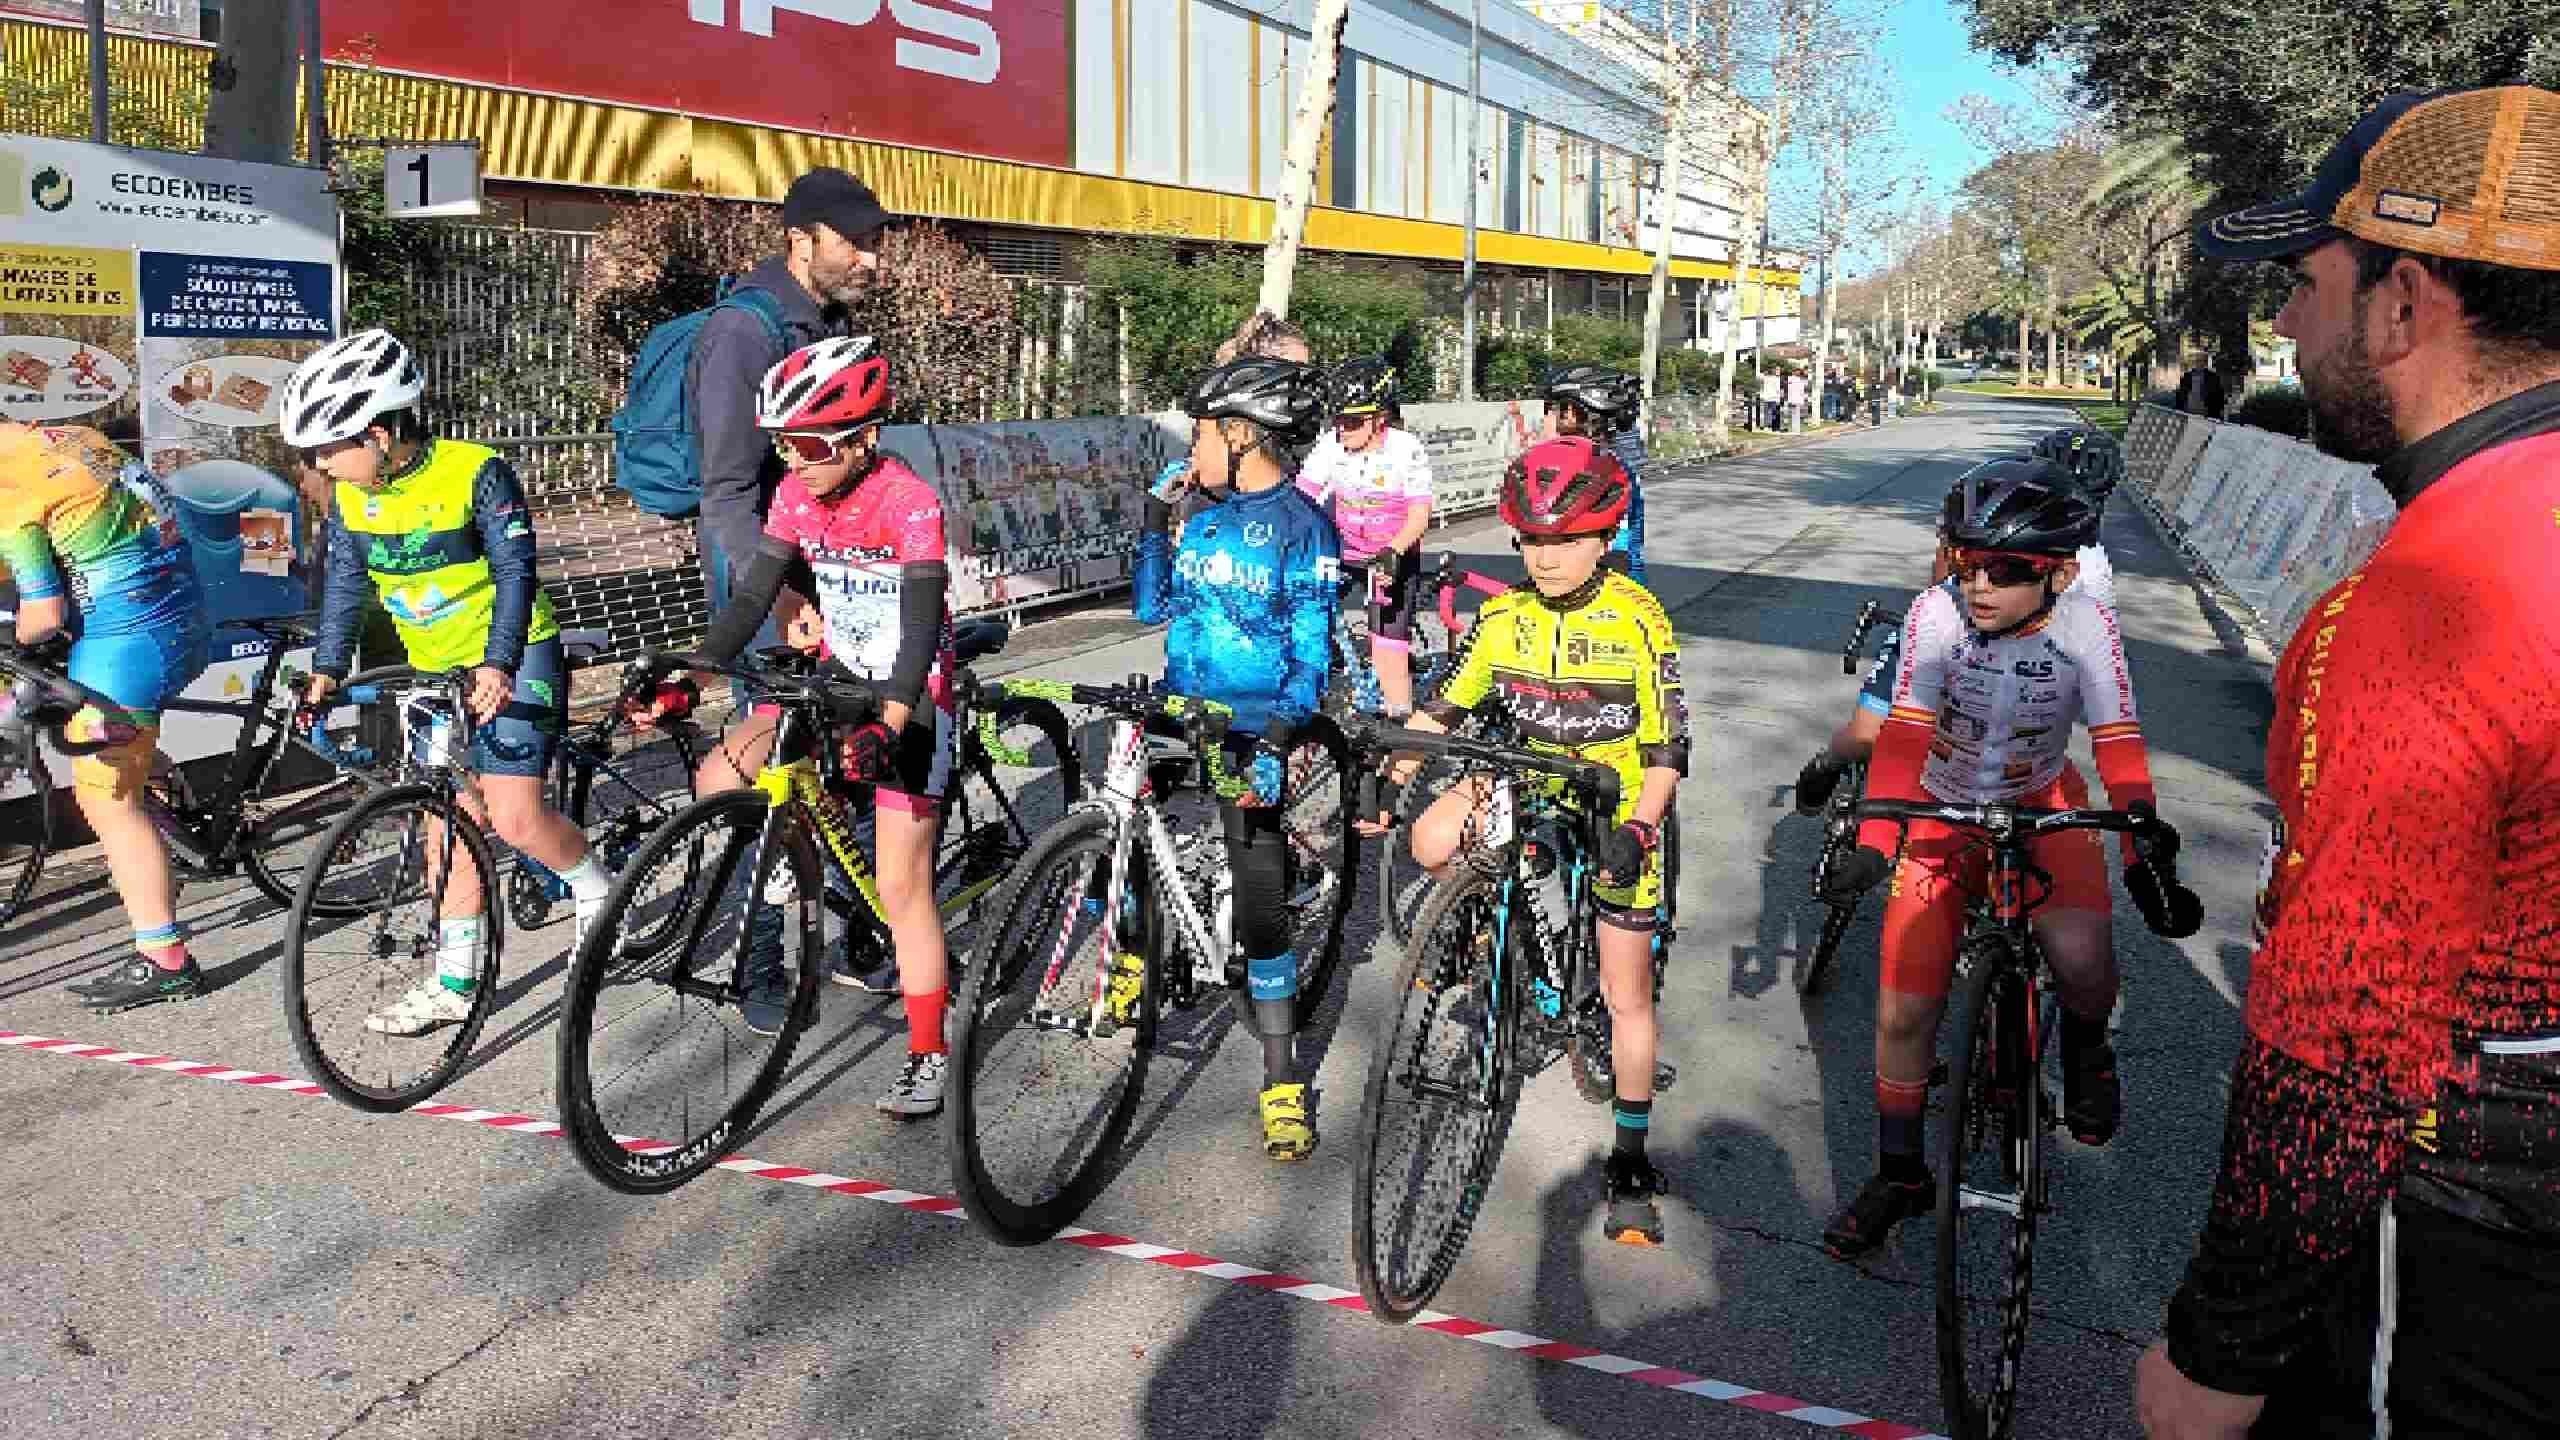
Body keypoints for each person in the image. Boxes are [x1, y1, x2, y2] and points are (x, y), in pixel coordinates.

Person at [2140, 84, 2560, 1440]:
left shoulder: (2433, 596)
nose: (2282, 324)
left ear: (2405, 300)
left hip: (2468, 1242)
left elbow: (2342, 1033)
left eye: (2303, 280)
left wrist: (2218, 1353)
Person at [1816, 458, 2198, 1258]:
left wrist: (2142, 857)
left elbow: (2119, 749)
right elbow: (1906, 735)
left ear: (2058, 573)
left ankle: (2087, 1045)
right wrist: (1875, 844)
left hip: (2043, 801)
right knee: (1904, 1007)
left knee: (2082, 957)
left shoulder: (2087, 624)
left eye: (2008, 569)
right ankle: (1900, 1172)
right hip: (1942, 805)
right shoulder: (1934, 614)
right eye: (1966, 560)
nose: (1980, 583)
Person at [1367, 435, 1687, 1245]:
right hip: (1526, 775)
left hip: (1615, 798)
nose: (1547, 558)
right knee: (1434, 841)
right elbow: (1441, 711)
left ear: (1606, 536)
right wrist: (1396, 775)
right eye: (1534, 541)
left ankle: (1630, 1159)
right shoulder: (1503, 617)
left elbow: (1667, 751)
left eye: (1567, 540)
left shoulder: (1638, 620)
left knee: (1625, 994)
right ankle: (1488, 935)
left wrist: (1642, 828)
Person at [282, 330, 609, 1036]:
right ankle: (455, 982)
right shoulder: (350, 497)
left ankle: (596, 891)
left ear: (377, 431)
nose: (318, 466)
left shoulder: (476, 472)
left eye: (326, 450)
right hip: (433, 674)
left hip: (517, 656)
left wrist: (498, 663)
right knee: (447, 824)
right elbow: (344, 587)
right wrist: (326, 670)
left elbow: (517, 576)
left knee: (517, 819)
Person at [669, 336, 962, 1114]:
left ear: (864, 437)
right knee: (729, 772)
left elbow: (923, 626)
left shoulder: (910, 501)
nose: (791, 461)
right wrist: (693, 670)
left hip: (909, 688)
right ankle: (790, 920)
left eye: (804, 443)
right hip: (833, 674)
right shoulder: (796, 493)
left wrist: (894, 720)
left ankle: (928, 1052)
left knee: (902, 886)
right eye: (779, 445)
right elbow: (754, 594)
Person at [1138, 355, 1338, 1161]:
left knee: (1259, 901)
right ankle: (1131, 965)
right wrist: (1156, 522)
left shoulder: (1303, 525)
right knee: (1126, 838)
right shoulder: (1206, 517)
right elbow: (1155, 608)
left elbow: (1313, 648)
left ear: (1241, 433)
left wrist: (1284, 741)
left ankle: (1282, 1075)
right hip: (1181, 708)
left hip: (1254, 728)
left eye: (1201, 433)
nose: (1192, 449)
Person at [687, 168, 886, 796]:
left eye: (875, 241)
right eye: (853, 242)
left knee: (830, 732)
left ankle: (813, 868)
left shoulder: (826, 320)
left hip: (823, 557)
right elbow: (727, 491)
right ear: (801, 241)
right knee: (771, 736)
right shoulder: (744, 332)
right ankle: (773, 878)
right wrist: (779, 597)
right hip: (762, 564)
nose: (871, 260)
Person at [1, 424, 211, 1012]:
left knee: (105, 800)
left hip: (126, 646)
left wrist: (14, 638)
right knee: (113, 751)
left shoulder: (10, 487)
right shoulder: (71, 437)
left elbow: (42, 613)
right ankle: (162, 784)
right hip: (179, 615)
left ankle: (165, 959)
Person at [1795, 461, 2122, 817]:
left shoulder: (2094, 567)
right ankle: (1830, 760)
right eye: (1965, 565)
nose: (1980, 581)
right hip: (1951, 640)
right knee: (1866, 735)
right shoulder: (1986, 529)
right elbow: (1943, 585)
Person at [1297, 357, 1432, 716]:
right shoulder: (1331, 445)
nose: (1342, 430)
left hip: (1392, 552)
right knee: (1304, 617)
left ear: (1380, 418)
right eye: (1337, 420)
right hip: (1344, 551)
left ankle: (1399, 722)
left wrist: (1392, 552)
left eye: (1353, 422)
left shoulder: (1406, 449)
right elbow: (1302, 498)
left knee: (1387, 641)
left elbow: (1419, 516)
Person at [1542, 364, 1649, 588]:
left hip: (1604, 596)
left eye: (1550, 409)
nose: (1545, 418)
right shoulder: (1606, 463)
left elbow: (1615, 550)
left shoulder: (1604, 472)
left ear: (1570, 415)